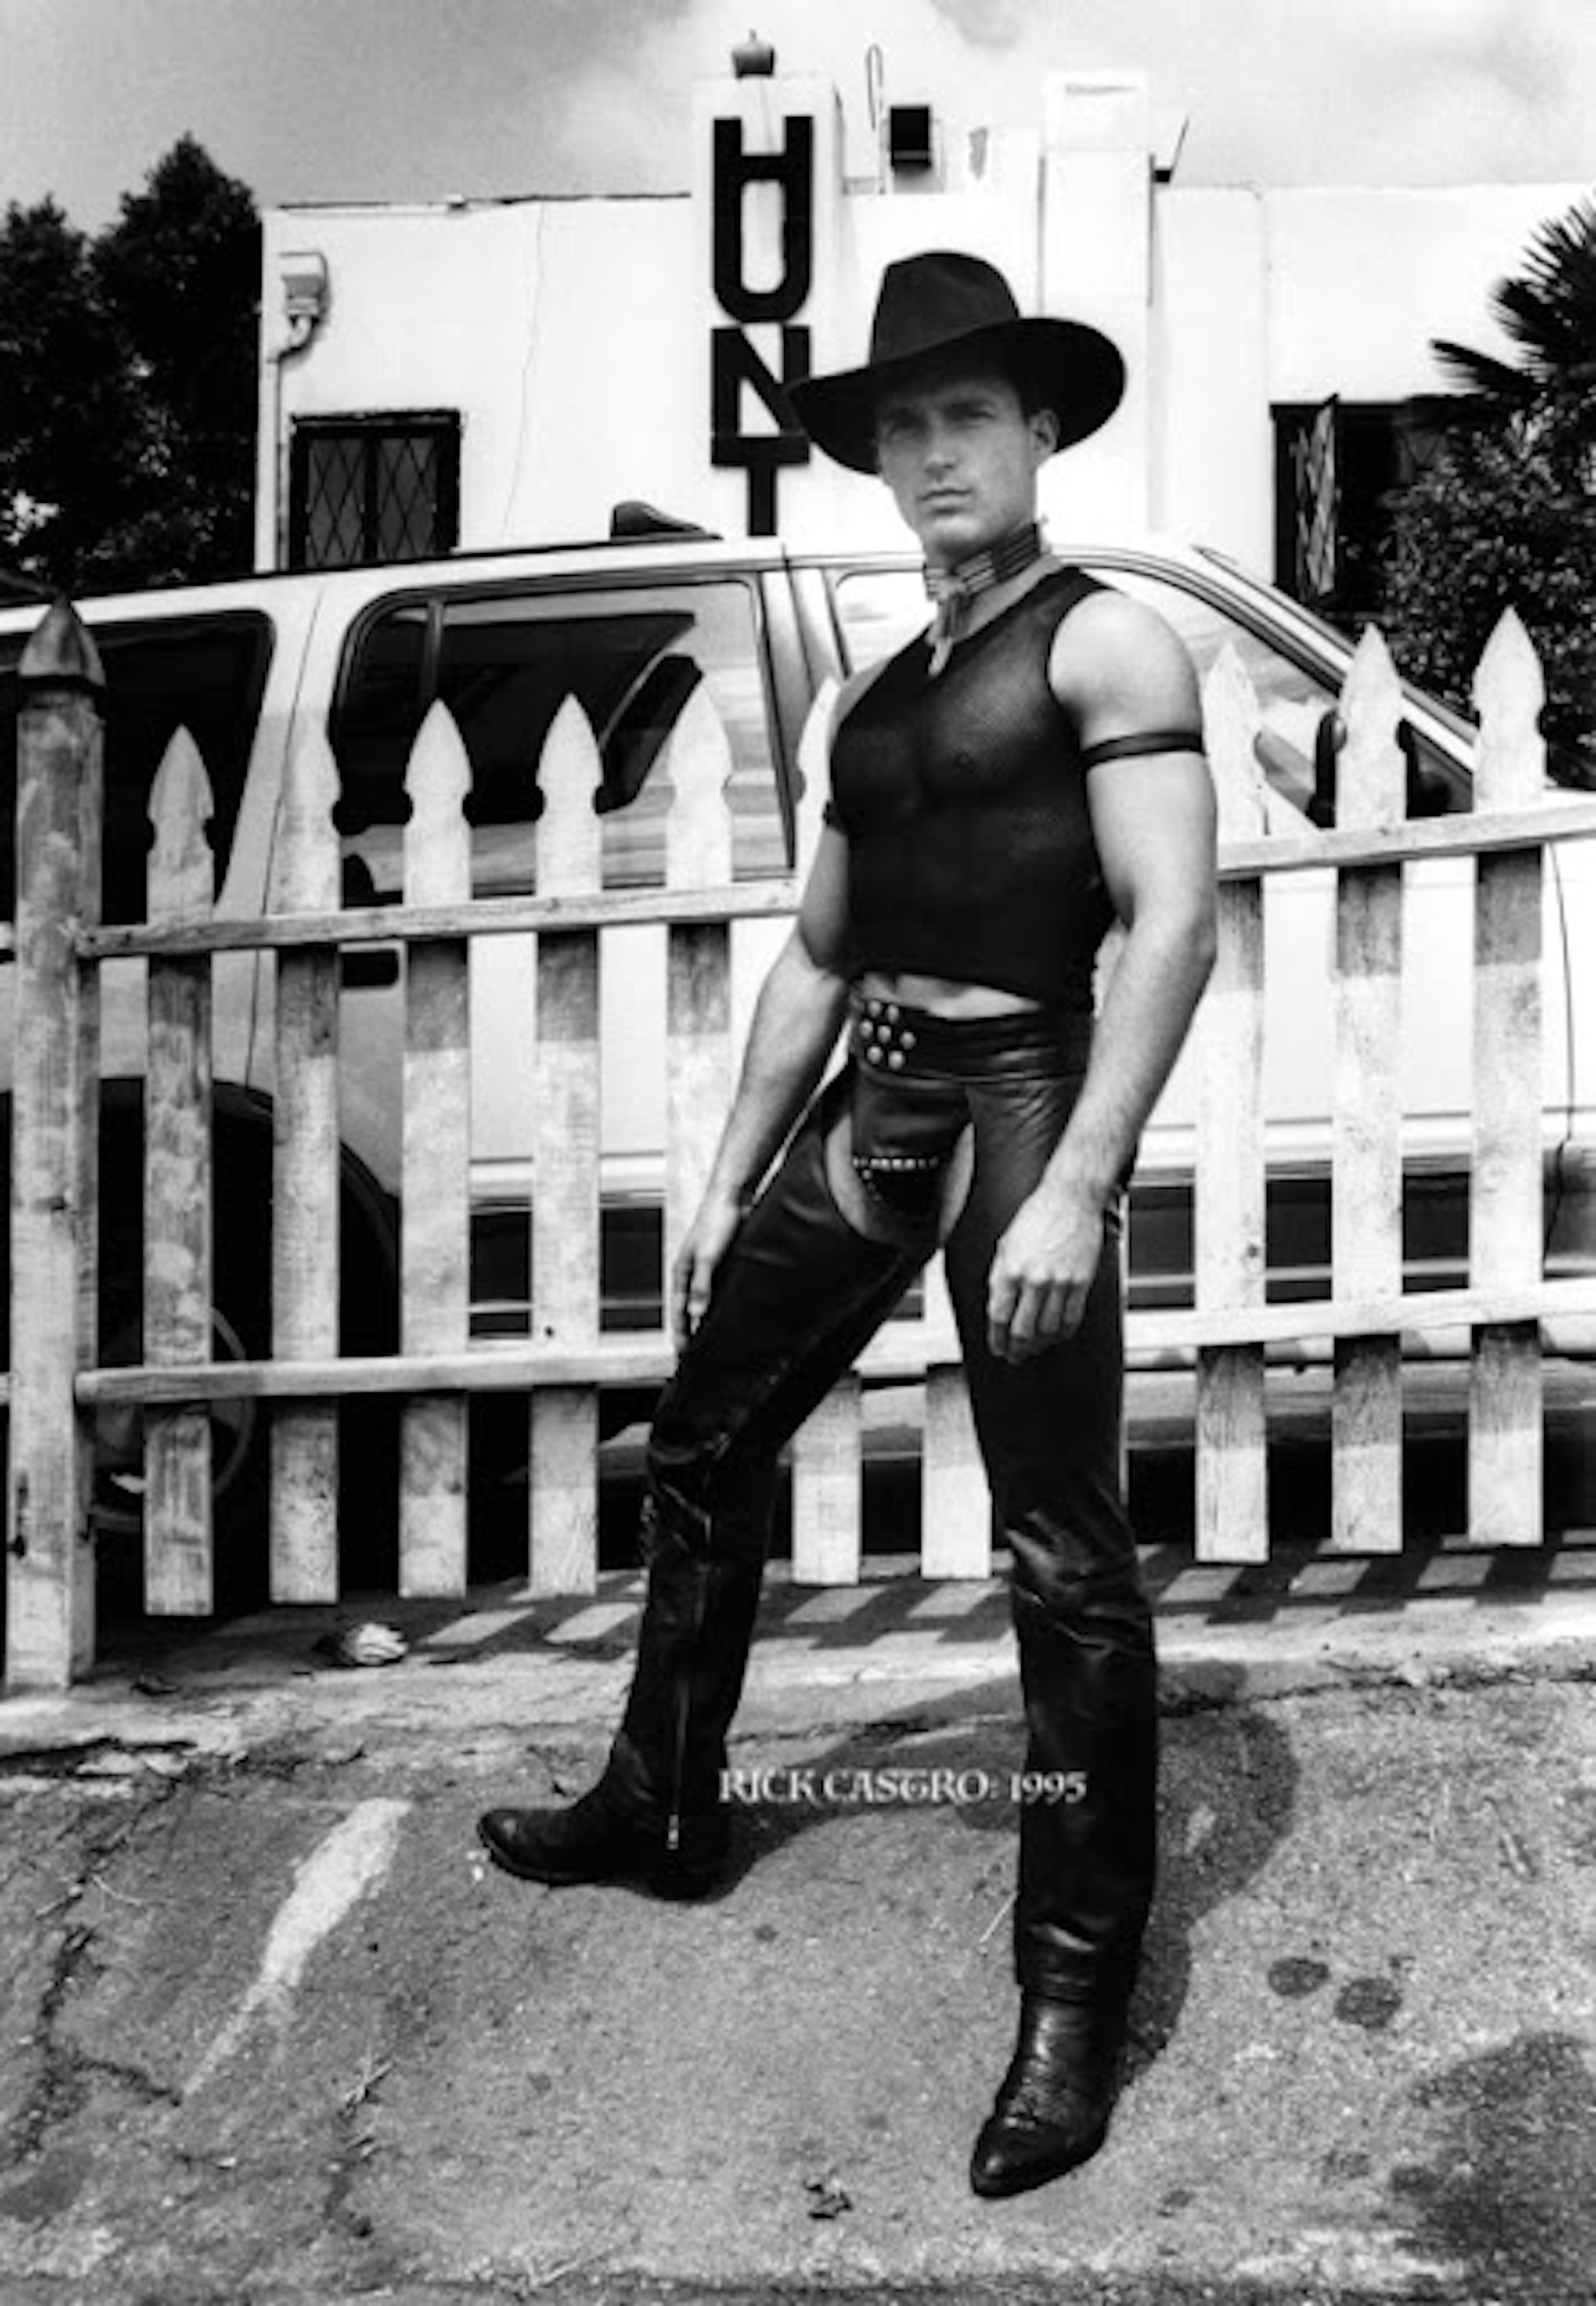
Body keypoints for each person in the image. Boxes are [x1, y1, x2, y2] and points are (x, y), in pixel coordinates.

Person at [479, 250, 1217, 2201]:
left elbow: (1170, 919)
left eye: (967, 411)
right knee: (706, 1439)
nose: (932, 450)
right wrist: (728, 1171)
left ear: (1039, 428)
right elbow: (816, 951)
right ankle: (661, 1806)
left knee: (1058, 1553)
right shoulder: (879, 695)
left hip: (1019, 1101)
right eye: (901, 423)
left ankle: (1069, 1993)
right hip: (869, 1099)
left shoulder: (1108, 643)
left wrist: (1077, 1177)